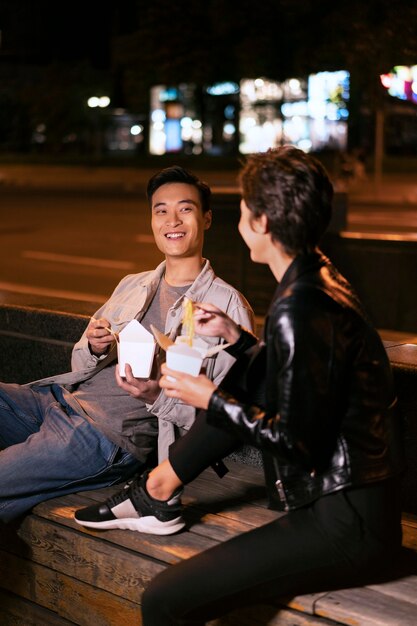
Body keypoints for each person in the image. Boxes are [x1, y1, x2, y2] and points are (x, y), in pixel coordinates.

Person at [75, 146, 404, 625]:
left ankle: (155, 492)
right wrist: (236, 339)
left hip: (345, 523)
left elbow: (299, 440)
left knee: (163, 599)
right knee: (245, 371)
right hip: (354, 506)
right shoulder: (318, 279)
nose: (241, 217)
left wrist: (209, 398)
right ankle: (156, 491)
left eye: (246, 208)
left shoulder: (302, 305)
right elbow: (288, 376)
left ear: (263, 222)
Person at [0, 166, 254, 523]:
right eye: (161, 210)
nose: (172, 220)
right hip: (54, 400)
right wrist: (95, 346)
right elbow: (79, 366)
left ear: (207, 218)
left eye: (185, 208)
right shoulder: (133, 284)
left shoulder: (227, 307)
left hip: (105, 437)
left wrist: (154, 396)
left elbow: (222, 416)